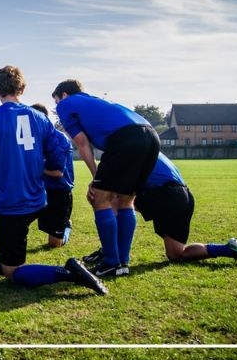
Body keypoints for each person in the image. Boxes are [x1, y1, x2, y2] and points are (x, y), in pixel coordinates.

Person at [0, 66, 107, 296]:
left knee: (13, 273)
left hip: (10, 204)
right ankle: (5, 255)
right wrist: (48, 167)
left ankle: (69, 273)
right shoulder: (40, 119)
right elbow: (62, 146)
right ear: (22, 89)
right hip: (38, 199)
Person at [52, 79, 160, 277]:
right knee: (126, 200)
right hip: (151, 135)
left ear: (64, 95)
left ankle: (111, 262)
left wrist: (96, 176)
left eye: (57, 101)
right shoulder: (93, 102)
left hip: (125, 138)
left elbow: (82, 143)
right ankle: (122, 263)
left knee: (100, 198)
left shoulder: (66, 104)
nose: (57, 106)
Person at [82, 153, 237, 266]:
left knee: (106, 200)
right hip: (184, 196)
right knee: (177, 254)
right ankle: (228, 249)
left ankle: (110, 252)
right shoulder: (149, 147)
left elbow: (117, 188)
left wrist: (96, 188)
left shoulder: (128, 151)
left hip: (165, 194)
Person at [31, 103, 74, 249]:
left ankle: (66, 227)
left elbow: (57, 173)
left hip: (59, 192)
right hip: (40, 190)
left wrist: (34, 168)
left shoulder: (58, 139)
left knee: (54, 244)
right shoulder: (32, 139)